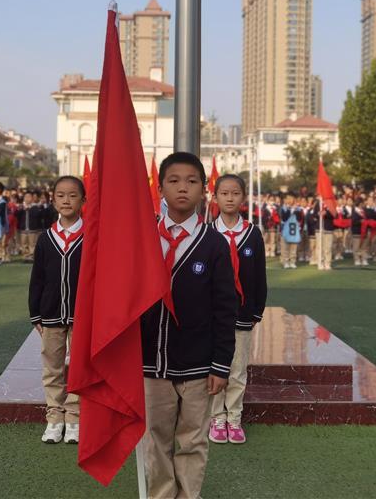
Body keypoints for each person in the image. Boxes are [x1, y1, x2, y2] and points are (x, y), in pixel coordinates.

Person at [140, 152, 237, 499]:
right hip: (151, 362)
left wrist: (221, 364)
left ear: (204, 190)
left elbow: (225, 308)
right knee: (155, 439)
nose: (183, 188)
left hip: (199, 365)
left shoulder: (214, 244)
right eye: (174, 180)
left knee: (193, 440)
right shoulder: (142, 239)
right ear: (160, 188)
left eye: (192, 181)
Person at [208, 174, 267, 445]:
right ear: (215, 197)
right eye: (224, 193)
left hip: (242, 313)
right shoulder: (208, 234)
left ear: (243, 197)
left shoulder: (252, 234)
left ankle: (234, 417)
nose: (229, 198)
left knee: (238, 369)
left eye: (235, 193)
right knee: (214, 367)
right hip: (212, 315)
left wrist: (256, 310)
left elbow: (259, 276)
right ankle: (216, 417)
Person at [28, 175, 86, 445]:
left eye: (73, 195)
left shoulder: (91, 237)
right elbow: (37, 278)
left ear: (83, 200)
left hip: (81, 315)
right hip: (50, 313)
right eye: (60, 195)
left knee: (78, 368)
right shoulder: (46, 238)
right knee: (52, 368)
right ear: (53, 200)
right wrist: (35, 313)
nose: (66, 200)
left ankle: (74, 416)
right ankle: (54, 417)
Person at [280, 193, 301, 269]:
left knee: (293, 248)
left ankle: (292, 262)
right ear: (285, 200)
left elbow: (299, 218)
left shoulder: (298, 209)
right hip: (285, 231)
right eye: (288, 198)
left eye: (291, 198)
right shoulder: (283, 208)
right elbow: (284, 218)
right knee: (285, 248)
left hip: (294, 232)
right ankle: (285, 262)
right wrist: (290, 210)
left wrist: (295, 209)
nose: (289, 200)